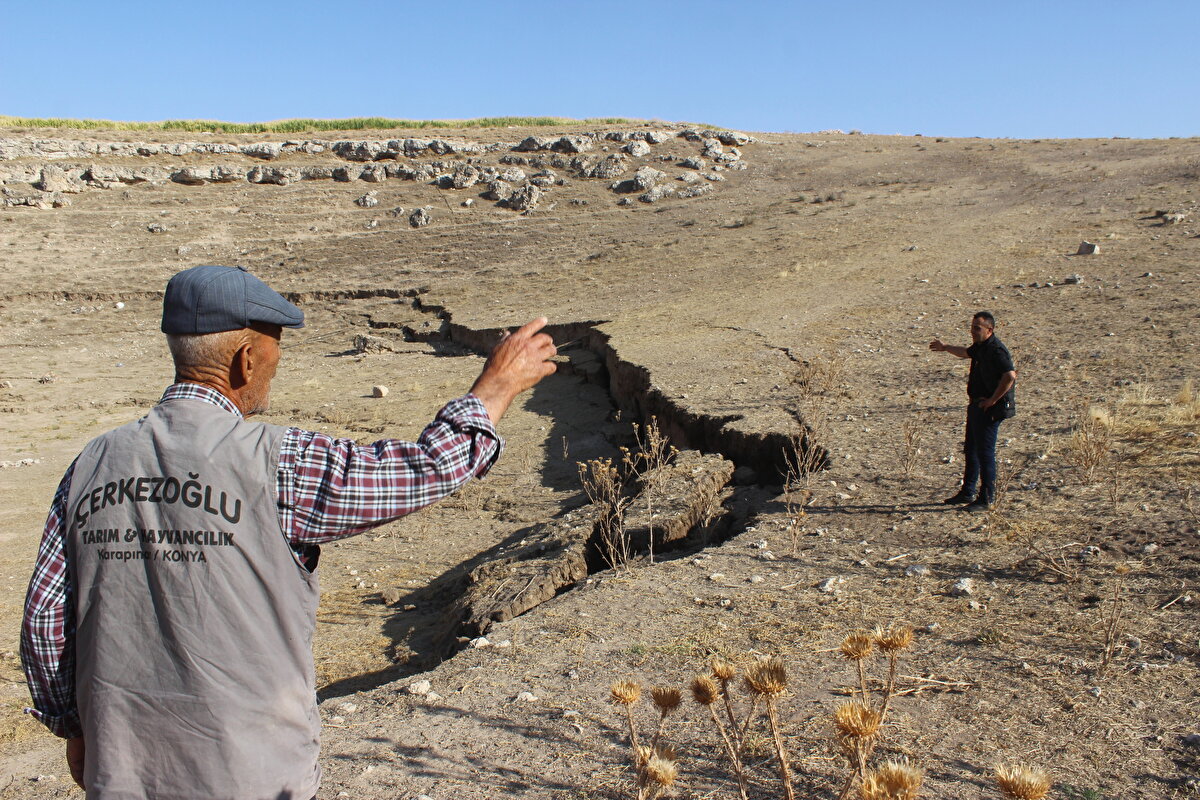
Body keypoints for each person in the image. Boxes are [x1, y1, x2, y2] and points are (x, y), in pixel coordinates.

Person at [20, 264, 557, 799]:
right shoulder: (279, 463)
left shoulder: (91, 463)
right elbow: (423, 469)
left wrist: (74, 727)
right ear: (245, 358)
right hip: (250, 775)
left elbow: (47, 624)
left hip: (122, 773)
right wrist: (496, 387)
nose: (277, 363)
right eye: (275, 347)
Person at [928, 310, 1017, 512]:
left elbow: (1010, 376)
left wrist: (993, 400)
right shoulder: (981, 347)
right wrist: (944, 348)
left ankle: (986, 498)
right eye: (972, 327)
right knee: (971, 449)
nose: (973, 332)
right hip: (977, 405)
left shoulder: (996, 350)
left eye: (977, 328)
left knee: (985, 453)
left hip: (990, 408)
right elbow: (965, 352)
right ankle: (967, 491)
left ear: (989, 330)